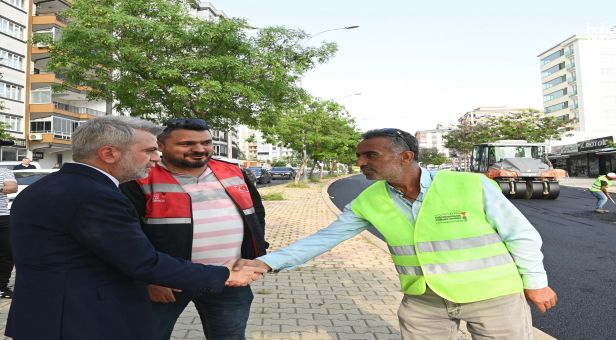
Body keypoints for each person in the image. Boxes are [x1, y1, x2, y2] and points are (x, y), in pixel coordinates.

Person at [236, 128, 557, 339]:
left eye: (370, 155)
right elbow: (324, 238)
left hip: (493, 297)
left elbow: (521, 235)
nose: (360, 162)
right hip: (425, 302)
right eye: (359, 156)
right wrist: (266, 263)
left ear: (406, 156)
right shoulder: (370, 200)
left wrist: (536, 284)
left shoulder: (470, 184)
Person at [6, 116, 267, 340]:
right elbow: (142, 262)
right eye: (148, 151)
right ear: (109, 153)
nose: (156, 159)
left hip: (49, 315)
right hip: (79, 320)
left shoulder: (46, 187)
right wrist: (222, 275)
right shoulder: (96, 196)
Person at [120, 118, 268, 340]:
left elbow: (255, 214)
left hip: (228, 276)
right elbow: (129, 235)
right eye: (187, 144)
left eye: (206, 142)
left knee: (230, 337)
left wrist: (255, 253)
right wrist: (148, 279)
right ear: (160, 146)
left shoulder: (234, 172)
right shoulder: (139, 178)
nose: (199, 149)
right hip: (167, 281)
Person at [0, 168, 17, 299]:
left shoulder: (4, 171)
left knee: (8, 252)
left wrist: (2, 189)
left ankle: (1, 286)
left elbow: (12, 188)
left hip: (3, 217)